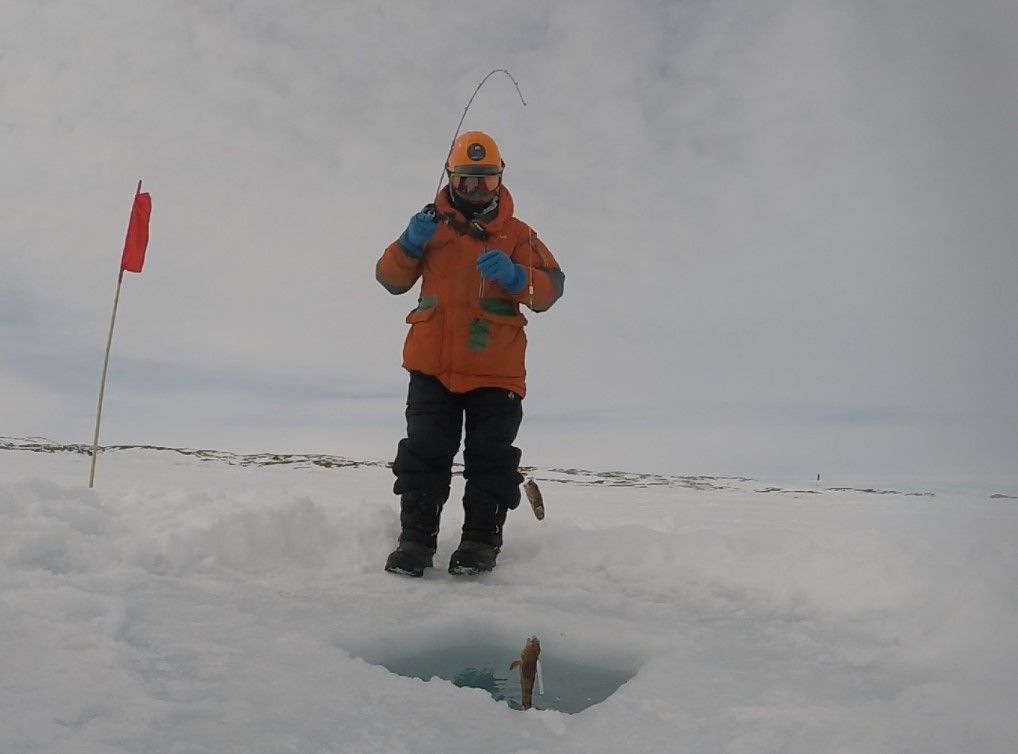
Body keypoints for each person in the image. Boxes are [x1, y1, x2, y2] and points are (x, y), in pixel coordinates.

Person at [375, 130, 564, 577]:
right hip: (431, 367)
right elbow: (389, 278)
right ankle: (415, 543)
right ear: (450, 178)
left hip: (496, 375)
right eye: (466, 180)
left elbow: (552, 287)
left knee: (491, 459)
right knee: (424, 454)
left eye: (485, 180)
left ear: (499, 179)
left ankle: (480, 543)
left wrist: (519, 275)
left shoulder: (519, 235)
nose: (475, 189)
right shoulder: (428, 227)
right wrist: (407, 244)